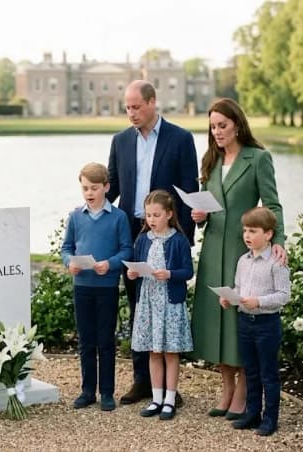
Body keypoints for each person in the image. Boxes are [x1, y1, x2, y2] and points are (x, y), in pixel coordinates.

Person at [189, 98, 286, 420]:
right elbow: (208, 209)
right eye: (213, 126)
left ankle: (243, 392)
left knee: (237, 320)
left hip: (243, 253)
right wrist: (198, 216)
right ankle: (226, 388)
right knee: (215, 320)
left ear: (237, 125)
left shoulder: (258, 158)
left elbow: (272, 205)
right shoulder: (211, 161)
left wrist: (279, 241)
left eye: (222, 126)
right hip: (213, 251)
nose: (216, 132)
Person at [107, 79, 199, 406]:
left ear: (152, 102)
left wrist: (183, 240)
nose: (130, 113)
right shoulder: (120, 141)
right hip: (132, 233)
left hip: (167, 233)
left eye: (135, 106)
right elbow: (112, 189)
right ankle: (142, 382)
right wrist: (91, 210)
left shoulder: (180, 138)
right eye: (127, 107)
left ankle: (169, 389)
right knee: (138, 305)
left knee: (169, 305)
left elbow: (189, 191)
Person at [61, 162, 133, 412]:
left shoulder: (118, 217)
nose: (89, 193)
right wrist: (69, 262)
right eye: (85, 188)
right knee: (86, 341)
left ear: (106, 187)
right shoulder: (75, 217)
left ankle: (107, 393)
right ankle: (87, 391)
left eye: (94, 188)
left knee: (105, 341)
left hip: (107, 287)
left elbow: (126, 249)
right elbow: (66, 248)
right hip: (82, 286)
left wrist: (110, 264)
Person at [220, 207, 290, 436]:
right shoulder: (243, 260)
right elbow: (240, 288)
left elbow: (283, 295)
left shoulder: (276, 262)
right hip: (245, 322)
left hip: (266, 324)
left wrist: (258, 301)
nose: (247, 235)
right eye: (245, 231)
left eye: (252, 231)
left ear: (268, 234)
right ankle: (252, 414)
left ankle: (270, 419)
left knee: (268, 373)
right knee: (250, 371)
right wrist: (230, 296)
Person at [127, 190, 194, 420]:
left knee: (170, 352)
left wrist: (170, 274)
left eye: (156, 215)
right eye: (148, 215)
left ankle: (170, 399)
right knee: (154, 352)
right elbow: (137, 265)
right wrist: (133, 273)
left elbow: (188, 271)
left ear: (169, 214)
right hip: (148, 301)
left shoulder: (178, 240)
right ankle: (156, 398)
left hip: (169, 302)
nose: (151, 220)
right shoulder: (143, 239)